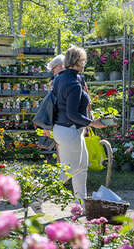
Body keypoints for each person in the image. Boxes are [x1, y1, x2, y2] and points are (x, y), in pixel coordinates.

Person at [52, 46, 106, 202]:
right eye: (83, 61)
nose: (84, 64)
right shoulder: (73, 84)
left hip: (66, 129)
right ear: (78, 62)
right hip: (70, 130)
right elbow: (72, 114)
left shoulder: (61, 78)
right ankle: (36, 198)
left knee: (81, 167)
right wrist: (92, 123)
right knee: (67, 171)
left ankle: (80, 205)